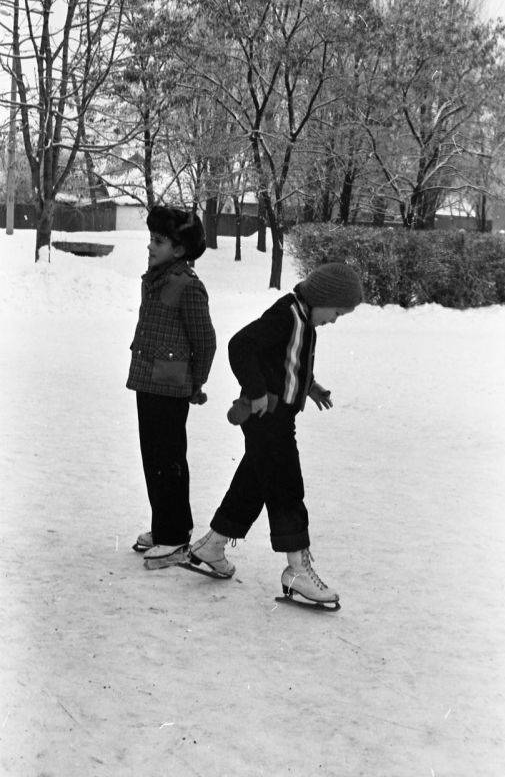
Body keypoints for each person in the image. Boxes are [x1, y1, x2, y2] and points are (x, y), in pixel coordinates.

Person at [189, 262, 363, 607]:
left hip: (278, 415)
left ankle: (213, 544)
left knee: (254, 482)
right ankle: (297, 568)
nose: (334, 320)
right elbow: (241, 345)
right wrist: (255, 390)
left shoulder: (303, 317)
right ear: (321, 298)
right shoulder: (286, 314)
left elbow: (286, 361)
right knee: (285, 484)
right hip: (266, 414)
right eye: (336, 312)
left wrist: (309, 387)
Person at [127, 206, 216, 570]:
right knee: (154, 459)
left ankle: (175, 536)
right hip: (149, 382)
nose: (150, 246)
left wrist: (197, 383)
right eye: (151, 239)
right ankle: (163, 526)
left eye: (158, 241)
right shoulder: (157, 278)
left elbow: (205, 341)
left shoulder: (187, 286)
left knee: (169, 461)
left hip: (171, 387)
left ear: (180, 249)